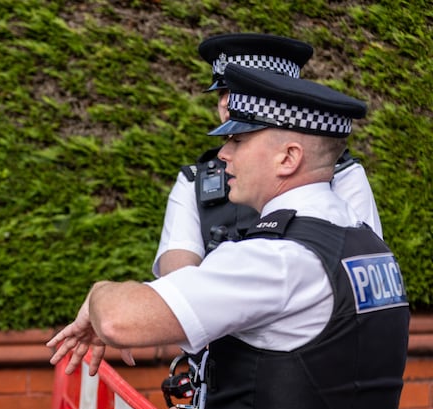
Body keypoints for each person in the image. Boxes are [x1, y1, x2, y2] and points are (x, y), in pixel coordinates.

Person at [48, 64, 408, 409]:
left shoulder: (276, 257)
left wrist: (98, 294)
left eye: (239, 140)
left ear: (288, 157)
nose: (223, 154)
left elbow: (121, 321)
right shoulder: (366, 244)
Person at [153, 33, 383, 277]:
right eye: (222, 92)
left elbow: (362, 269)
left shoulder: (340, 173)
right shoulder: (196, 179)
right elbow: (176, 280)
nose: (227, 103)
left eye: (243, 91)